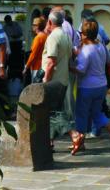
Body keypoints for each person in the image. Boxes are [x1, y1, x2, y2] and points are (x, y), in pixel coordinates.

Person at [69, 19, 110, 155]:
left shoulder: (86, 50)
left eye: (81, 33)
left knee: (81, 113)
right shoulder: (100, 46)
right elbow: (107, 61)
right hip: (101, 84)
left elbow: (81, 69)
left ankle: (79, 141)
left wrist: (70, 67)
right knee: (96, 113)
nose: (80, 35)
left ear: (85, 35)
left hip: (87, 86)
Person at [42, 10, 74, 141]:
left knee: (53, 114)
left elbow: (51, 62)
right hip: (62, 79)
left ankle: (74, 134)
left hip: (53, 81)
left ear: (50, 22)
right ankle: (49, 143)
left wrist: (45, 80)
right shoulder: (65, 35)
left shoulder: (54, 36)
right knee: (53, 112)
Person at [3, 15, 26, 110]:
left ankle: (18, 75)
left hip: (17, 44)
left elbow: (20, 33)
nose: (8, 22)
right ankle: (13, 75)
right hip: (11, 45)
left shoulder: (16, 24)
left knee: (18, 61)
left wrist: (16, 35)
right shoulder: (4, 27)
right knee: (11, 62)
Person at [24, 16, 47, 84]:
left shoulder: (38, 38)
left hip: (36, 67)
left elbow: (33, 54)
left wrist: (26, 67)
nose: (32, 26)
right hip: (43, 66)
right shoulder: (45, 36)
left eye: (33, 25)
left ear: (37, 26)